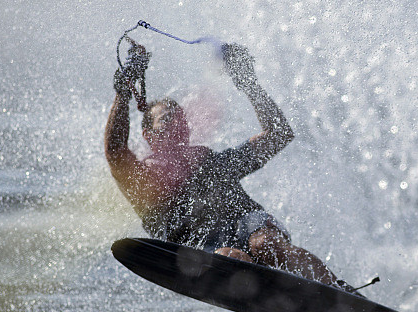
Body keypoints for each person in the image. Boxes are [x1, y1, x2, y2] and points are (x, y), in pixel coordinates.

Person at [105, 40, 358, 293]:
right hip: (199, 252)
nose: (179, 126)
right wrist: (124, 89)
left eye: (183, 121)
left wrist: (247, 81)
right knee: (231, 258)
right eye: (168, 120)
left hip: (249, 226)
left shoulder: (213, 164)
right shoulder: (143, 179)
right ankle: (267, 285)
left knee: (266, 245)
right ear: (148, 134)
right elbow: (115, 149)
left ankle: (338, 290)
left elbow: (278, 134)